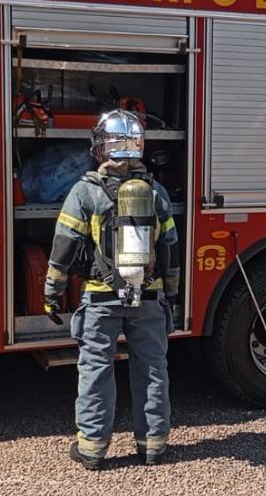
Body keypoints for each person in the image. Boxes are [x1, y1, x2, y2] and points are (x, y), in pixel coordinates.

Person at [43, 110, 179, 470]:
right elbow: (169, 248)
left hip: (101, 296)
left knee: (96, 370)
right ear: (137, 147)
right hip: (149, 296)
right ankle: (152, 445)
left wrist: (51, 292)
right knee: (152, 369)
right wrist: (173, 295)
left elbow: (64, 246)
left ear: (101, 147)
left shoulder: (85, 192)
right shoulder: (155, 192)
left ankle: (92, 449)